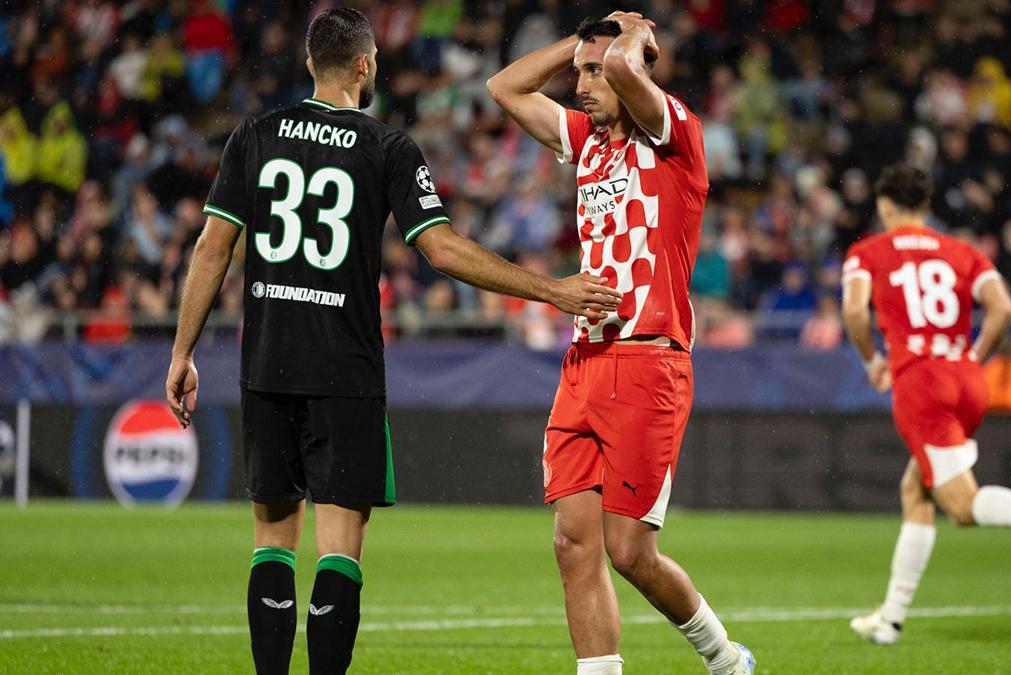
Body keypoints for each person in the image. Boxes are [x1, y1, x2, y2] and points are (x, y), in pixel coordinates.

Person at [164, 9, 620, 675]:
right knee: (340, 545)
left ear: (310, 65)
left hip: (266, 359)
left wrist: (182, 351)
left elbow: (211, 249)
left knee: (271, 537)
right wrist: (552, 289)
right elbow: (440, 249)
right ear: (364, 65)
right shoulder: (386, 147)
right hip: (343, 367)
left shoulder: (254, 136)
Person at [486, 12, 754, 675]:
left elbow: (628, 70)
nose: (580, 84)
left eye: (591, 70)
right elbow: (505, 89)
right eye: (578, 71)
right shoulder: (587, 139)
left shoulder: (676, 134)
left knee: (629, 549)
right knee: (574, 541)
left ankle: (725, 659)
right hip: (584, 359)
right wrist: (577, 47)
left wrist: (631, 43)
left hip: (648, 359)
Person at [840, 164, 1011, 646]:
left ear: (885, 206)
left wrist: (873, 359)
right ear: (927, 207)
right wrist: (975, 356)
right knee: (916, 489)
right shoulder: (964, 252)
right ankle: (891, 617)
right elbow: (1003, 308)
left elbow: (854, 309)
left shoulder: (868, 252)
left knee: (961, 506)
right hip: (966, 379)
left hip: (921, 383)